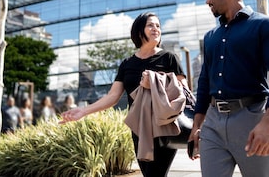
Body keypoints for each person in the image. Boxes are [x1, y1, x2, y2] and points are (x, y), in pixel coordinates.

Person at [190, 0, 269, 177]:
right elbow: (204, 81)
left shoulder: (265, 25)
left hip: (252, 120)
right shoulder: (211, 36)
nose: (207, 0)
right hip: (213, 123)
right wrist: (197, 124)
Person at [60, 12, 187, 177]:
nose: (156, 29)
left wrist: (157, 84)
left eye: (158, 26)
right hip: (138, 128)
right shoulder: (128, 64)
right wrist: (83, 111)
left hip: (164, 125)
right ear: (139, 31)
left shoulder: (169, 58)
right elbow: (112, 96)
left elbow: (184, 91)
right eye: (150, 25)